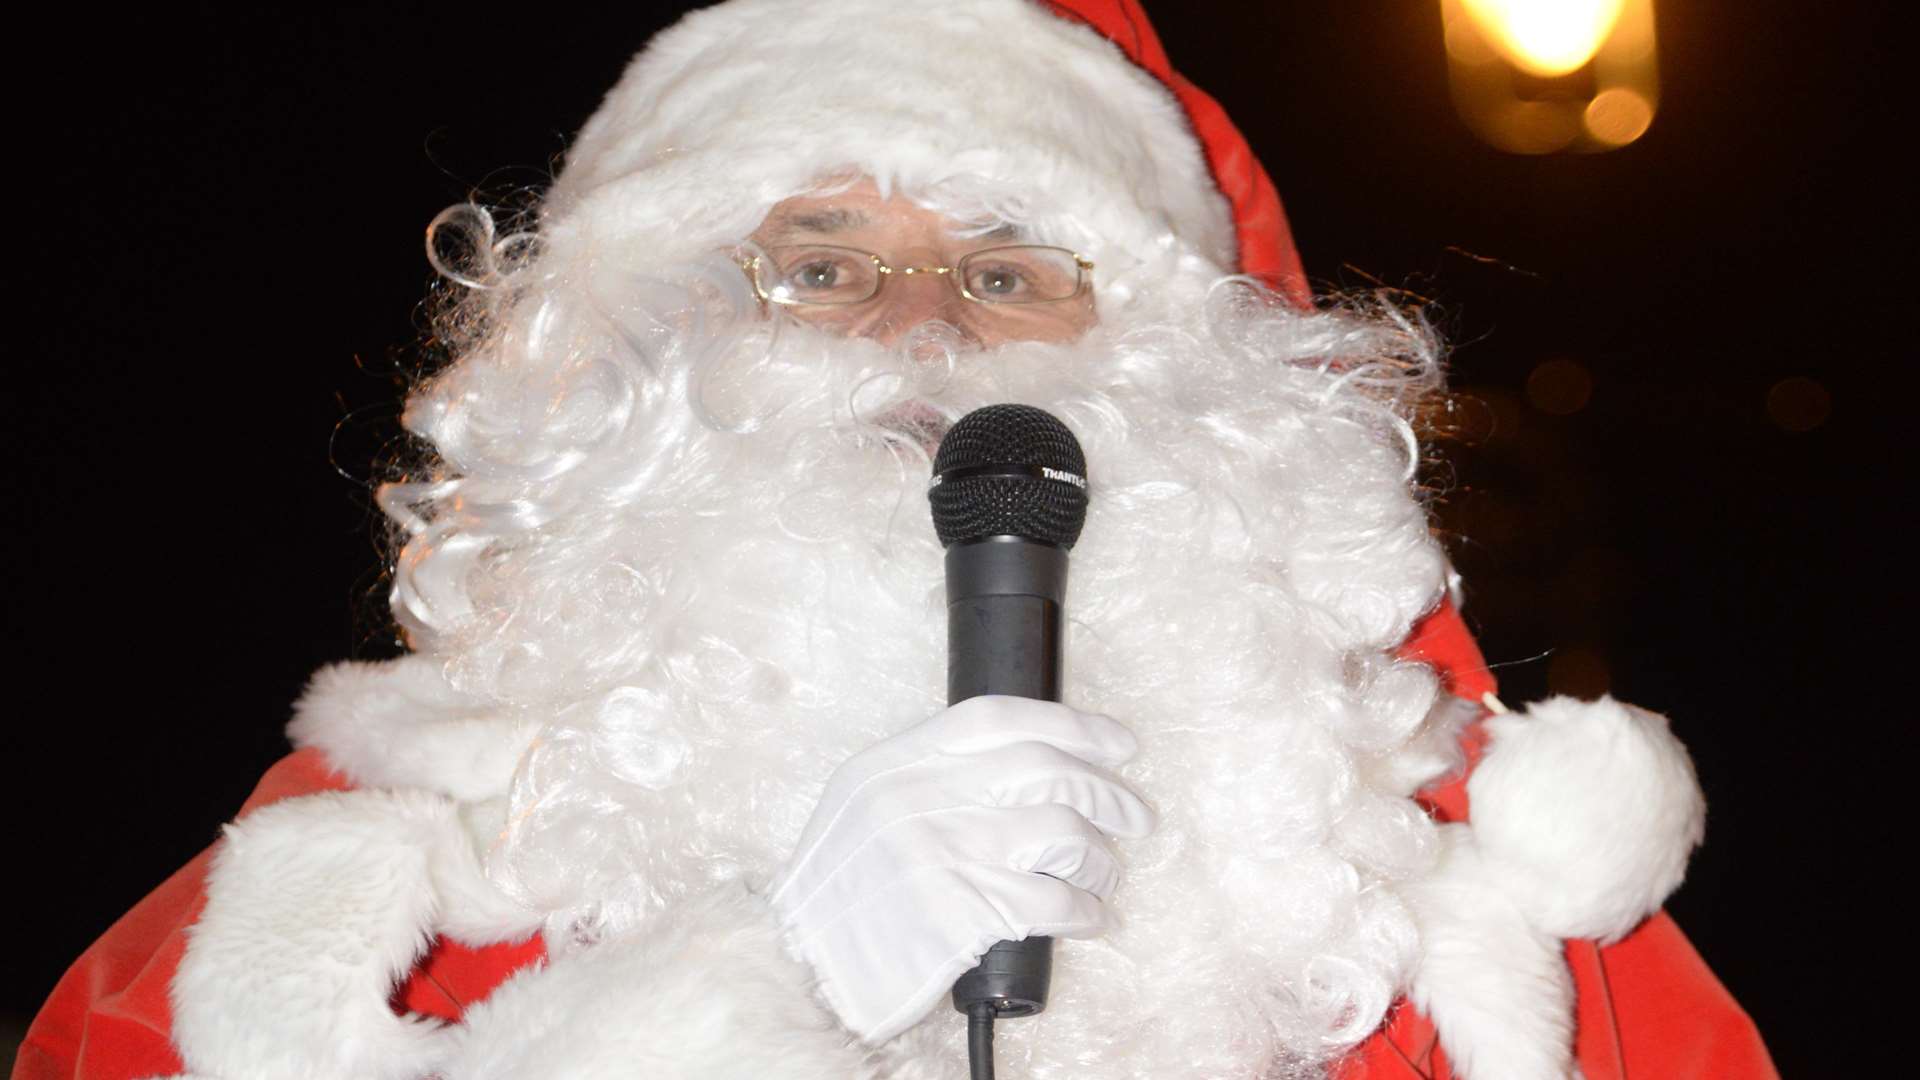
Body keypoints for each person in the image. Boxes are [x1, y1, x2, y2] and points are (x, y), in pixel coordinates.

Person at [15, 1, 1775, 1077]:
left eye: (1010, 272)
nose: (919, 326)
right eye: (822, 266)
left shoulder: (1493, 931)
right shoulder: (314, 918)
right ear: (641, 349)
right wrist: (769, 992)